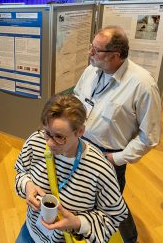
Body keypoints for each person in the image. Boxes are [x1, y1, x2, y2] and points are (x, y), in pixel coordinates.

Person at [73, 26, 161, 243]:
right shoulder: (91, 70)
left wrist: (116, 159)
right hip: (81, 147)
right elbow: (77, 99)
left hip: (109, 157)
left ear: (116, 55)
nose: (90, 53)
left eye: (96, 50)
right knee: (84, 197)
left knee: (111, 204)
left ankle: (130, 239)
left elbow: (149, 136)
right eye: (91, 48)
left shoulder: (142, 84)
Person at [15, 94, 128, 243]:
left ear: (80, 131)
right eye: (47, 133)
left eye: (59, 137)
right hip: (31, 233)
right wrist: (27, 186)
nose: (49, 143)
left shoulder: (99, 169)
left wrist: (78, 223)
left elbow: (114, 216)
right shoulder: (35, 141)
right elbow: (21, 172)